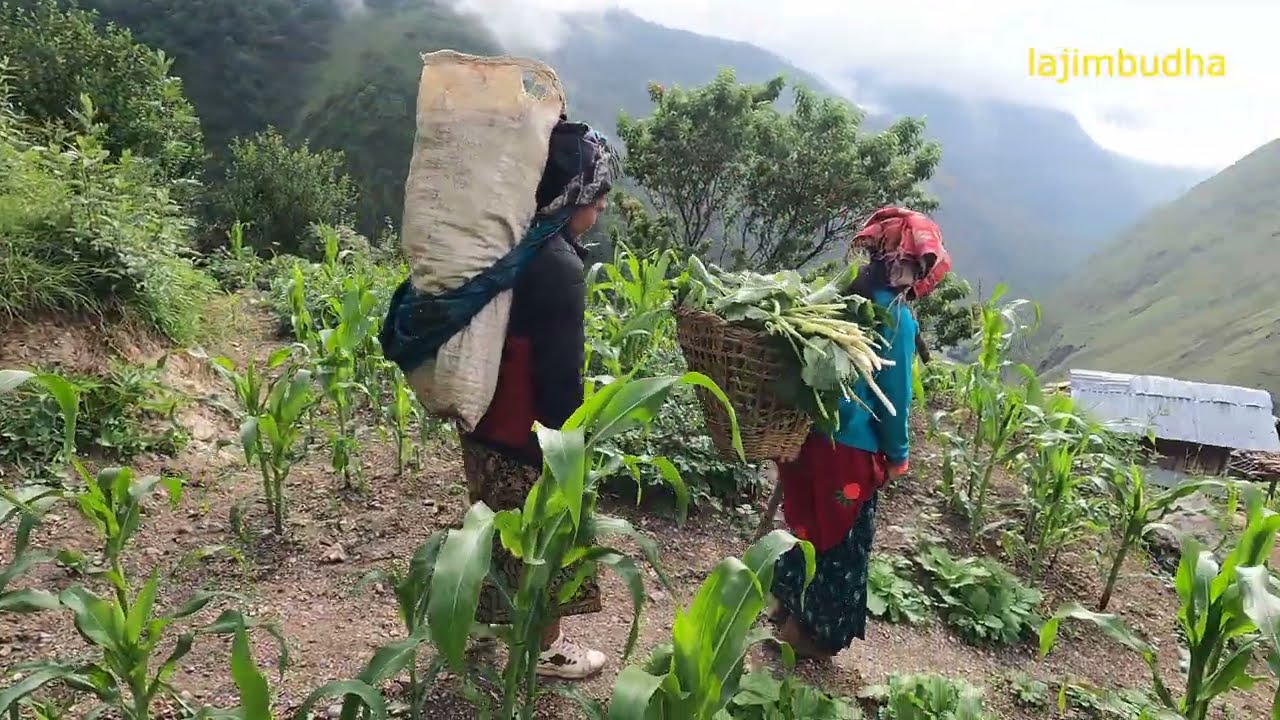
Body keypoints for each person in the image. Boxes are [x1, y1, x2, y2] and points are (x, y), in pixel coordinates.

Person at [458, 119, 619, 680]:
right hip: (524, 429)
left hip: (481, 416)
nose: (599, 208)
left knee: (488, 524)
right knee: (542, 540)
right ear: (572, 192)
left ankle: (472, 627)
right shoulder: (557, 264)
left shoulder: (506, 239)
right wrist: (566, 449)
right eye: (596, 195)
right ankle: (544, 650)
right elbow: (559, 377)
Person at [767, 207, 951, 661]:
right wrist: (897, 453)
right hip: (849, 452)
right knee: (838, 543)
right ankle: (807, 634)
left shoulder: (839, 294)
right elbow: (895, 396)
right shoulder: (897, 318)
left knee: (804, 525)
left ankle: (784, 607)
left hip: (806, 438)